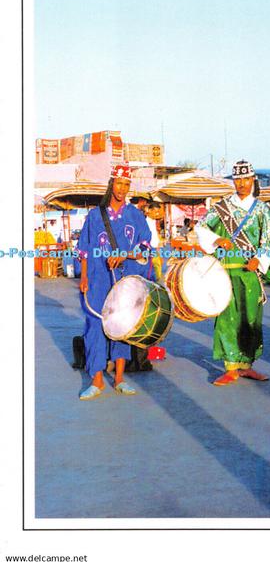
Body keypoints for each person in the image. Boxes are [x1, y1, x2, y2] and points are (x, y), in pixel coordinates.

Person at [195, 160, 270, 386]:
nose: (242, 184)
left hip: (250, 274)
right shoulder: (221, 207)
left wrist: (259, 259)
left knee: (250, 319)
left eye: (246, 179)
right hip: (225, 273)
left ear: (253, 180)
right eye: (238, 180)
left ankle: (247, 366)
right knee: (226, 318)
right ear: (233, 181)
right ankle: (230, 367)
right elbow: (200, 227)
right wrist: (217, 239)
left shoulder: (262, 209)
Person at [77, 164, 153, 400]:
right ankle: (97, 379)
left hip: (125, 277)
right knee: (95, 325)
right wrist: (84, 276)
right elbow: (84, 249)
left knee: (122, 324)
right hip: (98, 277)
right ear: (112, 184)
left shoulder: (135, 215)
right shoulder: (95, 215)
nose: (122, 189)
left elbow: (145, 246)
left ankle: (119, 378)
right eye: (118, 183)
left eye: (126, 184)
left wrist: (126, 255)